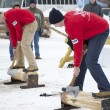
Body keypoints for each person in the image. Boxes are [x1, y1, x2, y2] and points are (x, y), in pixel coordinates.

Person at [49, 8, 110, 96]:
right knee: (84, 60)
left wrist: (76, 66)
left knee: (90, 61)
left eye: (54, 24)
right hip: (93, 29)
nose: (54, 26)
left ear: (57, 21)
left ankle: (106, 89)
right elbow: (81, 32)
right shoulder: (68, 16)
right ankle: (76, 86)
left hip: (100, 29)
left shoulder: (71, 25)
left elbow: (77, 47)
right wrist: (84, 45)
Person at [0, 8, 38, 72]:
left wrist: (19, 40)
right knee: (19, 45)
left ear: (1, 15)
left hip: (30, 23)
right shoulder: (7, 20)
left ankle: (33, 66)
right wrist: (15, 45)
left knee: (24, 44)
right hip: (25, 25)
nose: (0, 22)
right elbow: (12, 32)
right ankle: (20, 64)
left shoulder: (8, 15)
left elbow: (18, 27)